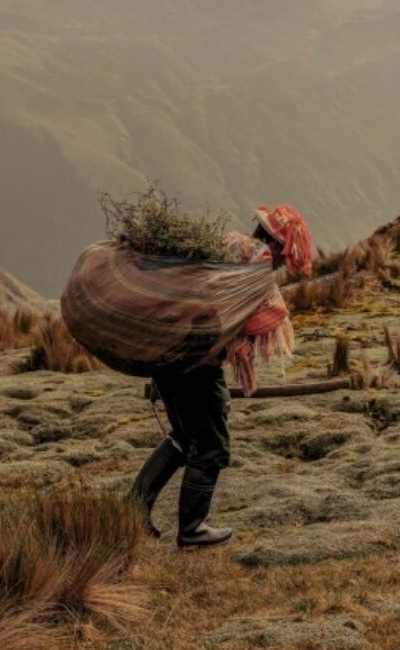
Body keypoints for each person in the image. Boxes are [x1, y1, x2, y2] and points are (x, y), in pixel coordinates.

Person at [130, 205, 312, 549]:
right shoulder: (255, 270)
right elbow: (247, 322)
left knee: (184, 436)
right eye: (283, 254)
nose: (281, 263)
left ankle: (133, 508)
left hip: (167, 353)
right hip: (197, 364)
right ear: (276, 245)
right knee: (211, 447)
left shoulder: (225, 243)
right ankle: (192, 530)